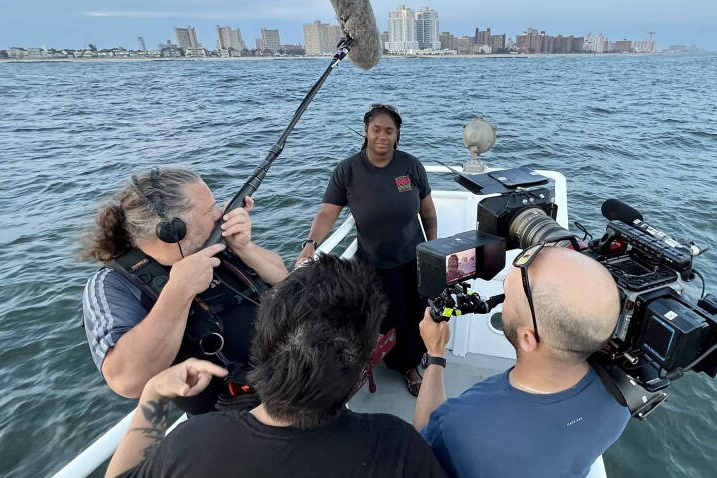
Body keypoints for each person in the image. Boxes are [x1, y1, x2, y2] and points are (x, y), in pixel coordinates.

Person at [105, 254, 448, 478]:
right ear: (361, 366)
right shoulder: (395, 445)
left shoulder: (191, 443)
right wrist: (435, 358)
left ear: (263, 346)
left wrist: (154, 393)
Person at [80, 167, 288, 414]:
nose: (220, 214)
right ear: (171, 230)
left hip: (297, 378)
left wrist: (246, 248)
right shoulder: (112, 284)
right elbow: (126, 381)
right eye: (210, 210)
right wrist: (179, 291)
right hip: (234, 419)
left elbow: (282, 278)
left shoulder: (212, 243)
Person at [413, 246, 631, 478]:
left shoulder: (462, 422)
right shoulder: (624, 397)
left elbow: (420, 443)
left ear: (528, 338)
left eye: (508, 295)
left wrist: (436, 354)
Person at [296, 103, 438, 396]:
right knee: (393, 316)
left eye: (389, 131)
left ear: (398, 134)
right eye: (377, 130)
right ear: (366, 131)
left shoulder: (410, 165)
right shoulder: (348, 171)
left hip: (414, 255)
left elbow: (428, 211)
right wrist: (310, 244)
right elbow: (327, 214)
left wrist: (433, 247)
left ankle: (416, 358)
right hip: (374, 262)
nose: (382, 136)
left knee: (419, 309)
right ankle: (405, 365)